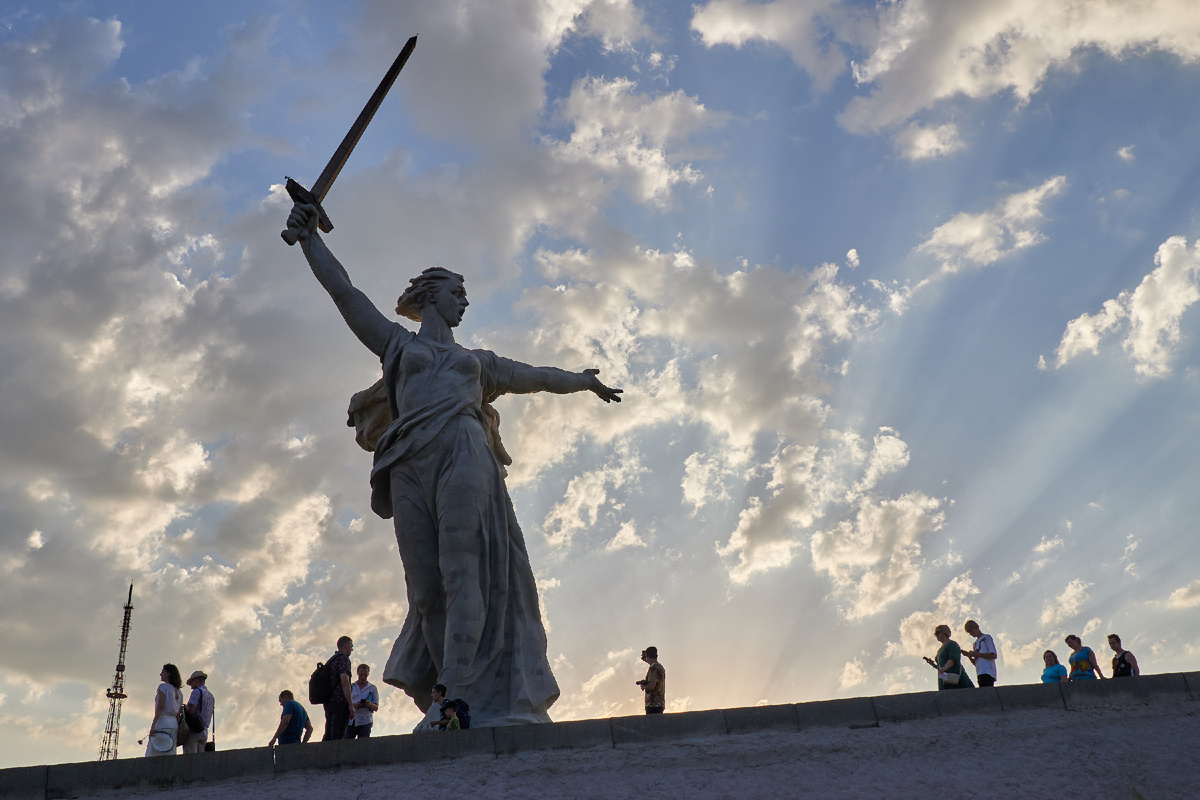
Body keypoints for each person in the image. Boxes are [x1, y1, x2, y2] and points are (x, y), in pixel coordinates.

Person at [286, 204, 621, 726]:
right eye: (457, 292)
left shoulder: (478, 363)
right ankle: (449, 692)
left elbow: (536, 376)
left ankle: (455, 698)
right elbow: (346, 294)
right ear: (429, 297)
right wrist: (311, 239)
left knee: (463, 569)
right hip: (406, 459)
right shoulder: (397, 345)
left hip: (464, 450)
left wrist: (583, 380)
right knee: (425, 590)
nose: (464, 300)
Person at [144, 664, 183, 757]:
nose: (161, 674)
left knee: (154, 752)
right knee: (169, 753)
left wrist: (153, 725)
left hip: (163, 722)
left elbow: (160, 706)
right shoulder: (179, 692)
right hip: (174, 724)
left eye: (163, 672)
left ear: (168, 673)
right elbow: (178, 713)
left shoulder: (163, 687)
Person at [323, 636, 356, 741]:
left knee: (329, 733)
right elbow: (344, 682)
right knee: (338, 735)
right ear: (345, 646)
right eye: (351, 646)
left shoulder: (331, 661)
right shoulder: (343, 659)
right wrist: (350, 704)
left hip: (328, 701)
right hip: (340, 701)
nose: (352, 649)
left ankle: (325, 751)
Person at [923, 625, 974, 690]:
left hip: (955, 679)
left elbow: (952, 660)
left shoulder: (952, 644)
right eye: (935, 634)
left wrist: (944, 668)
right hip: (945, 680)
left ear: (944, 632)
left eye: (938, 633)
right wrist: (933, 665)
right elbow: (940, 667)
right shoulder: (940, 650)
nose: (936, 635)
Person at [182, 670, 214, 754]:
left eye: (191, 683)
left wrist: (185, 708)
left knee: (190, 757)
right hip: (204, 731)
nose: (191, 687)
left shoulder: (196, 692)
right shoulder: (211, 696)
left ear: (196, 681)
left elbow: (191, 711)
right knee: (200, 758)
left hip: (194, 730)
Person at [961, 620, 998, 687]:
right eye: (969, 632)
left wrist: (977, 654)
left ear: (976, 627)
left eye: (971, 630)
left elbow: (993, 655)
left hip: (988, 671)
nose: (971, 633)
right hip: (979, 672)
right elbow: (976, 663)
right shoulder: (975, 644)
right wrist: (968, 655)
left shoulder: (986, 638)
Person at [346, 663, 380, 739]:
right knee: (347, 743)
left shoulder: (372, 688)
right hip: (351, 721)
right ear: (357, 673)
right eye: (361, 675)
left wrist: (369, 704)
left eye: (365, 675)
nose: (363, 677)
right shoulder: (351, 687)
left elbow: (376, 707)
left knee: (363, 744)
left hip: (365, 721)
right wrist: (355, 705)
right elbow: (344, 704)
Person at [635, 647, 666, 714]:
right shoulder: (660, 667)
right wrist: (646, 682)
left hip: (652, 704)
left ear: (647, 656)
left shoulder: (653, 668)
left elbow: (652, 686)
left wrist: (643, 686)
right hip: (659, 704)